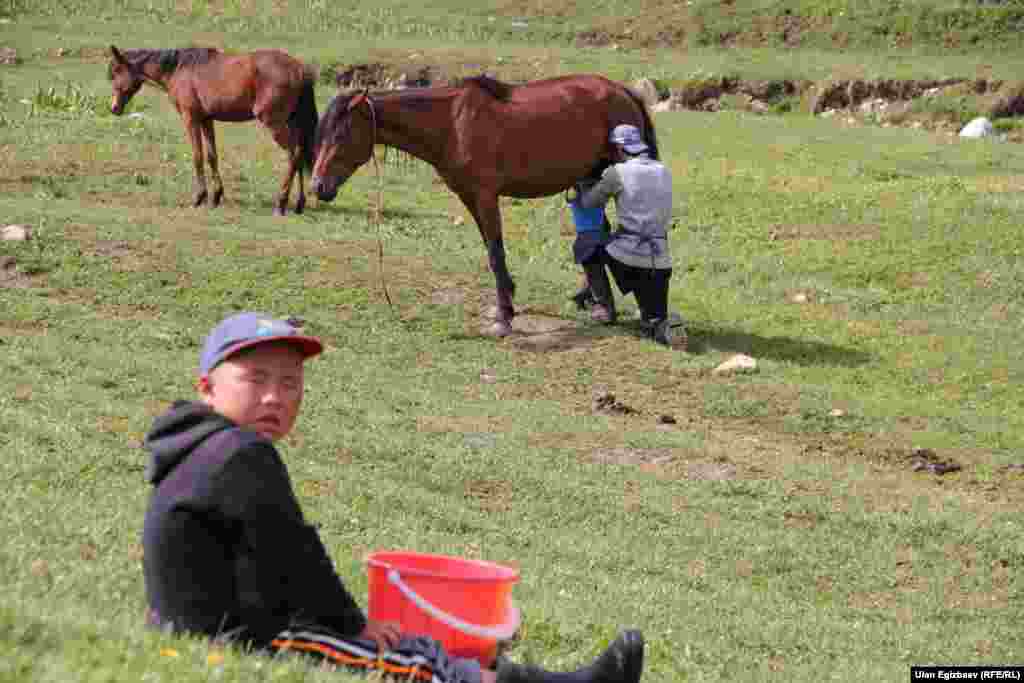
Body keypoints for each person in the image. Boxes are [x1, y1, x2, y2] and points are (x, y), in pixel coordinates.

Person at [141, 311, 646, 683]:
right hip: (232, 636)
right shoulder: (239, 453)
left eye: (291, 383)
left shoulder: (196, 445)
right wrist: (349, 625)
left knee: (410, 648)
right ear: (207, 387)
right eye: (256, 379)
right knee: (414, 664)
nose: (276, 396)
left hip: (217, 620)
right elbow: (292, 553)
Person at [568, 124, 684, 347]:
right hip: (660, 261)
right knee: (652, 319)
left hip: (628, 258)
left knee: (587, 247)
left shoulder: (617, 173)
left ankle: (605, 307)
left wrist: (576, 192)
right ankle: (663, 327)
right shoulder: (663, 170)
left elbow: (590, 202)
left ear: (620, 149)